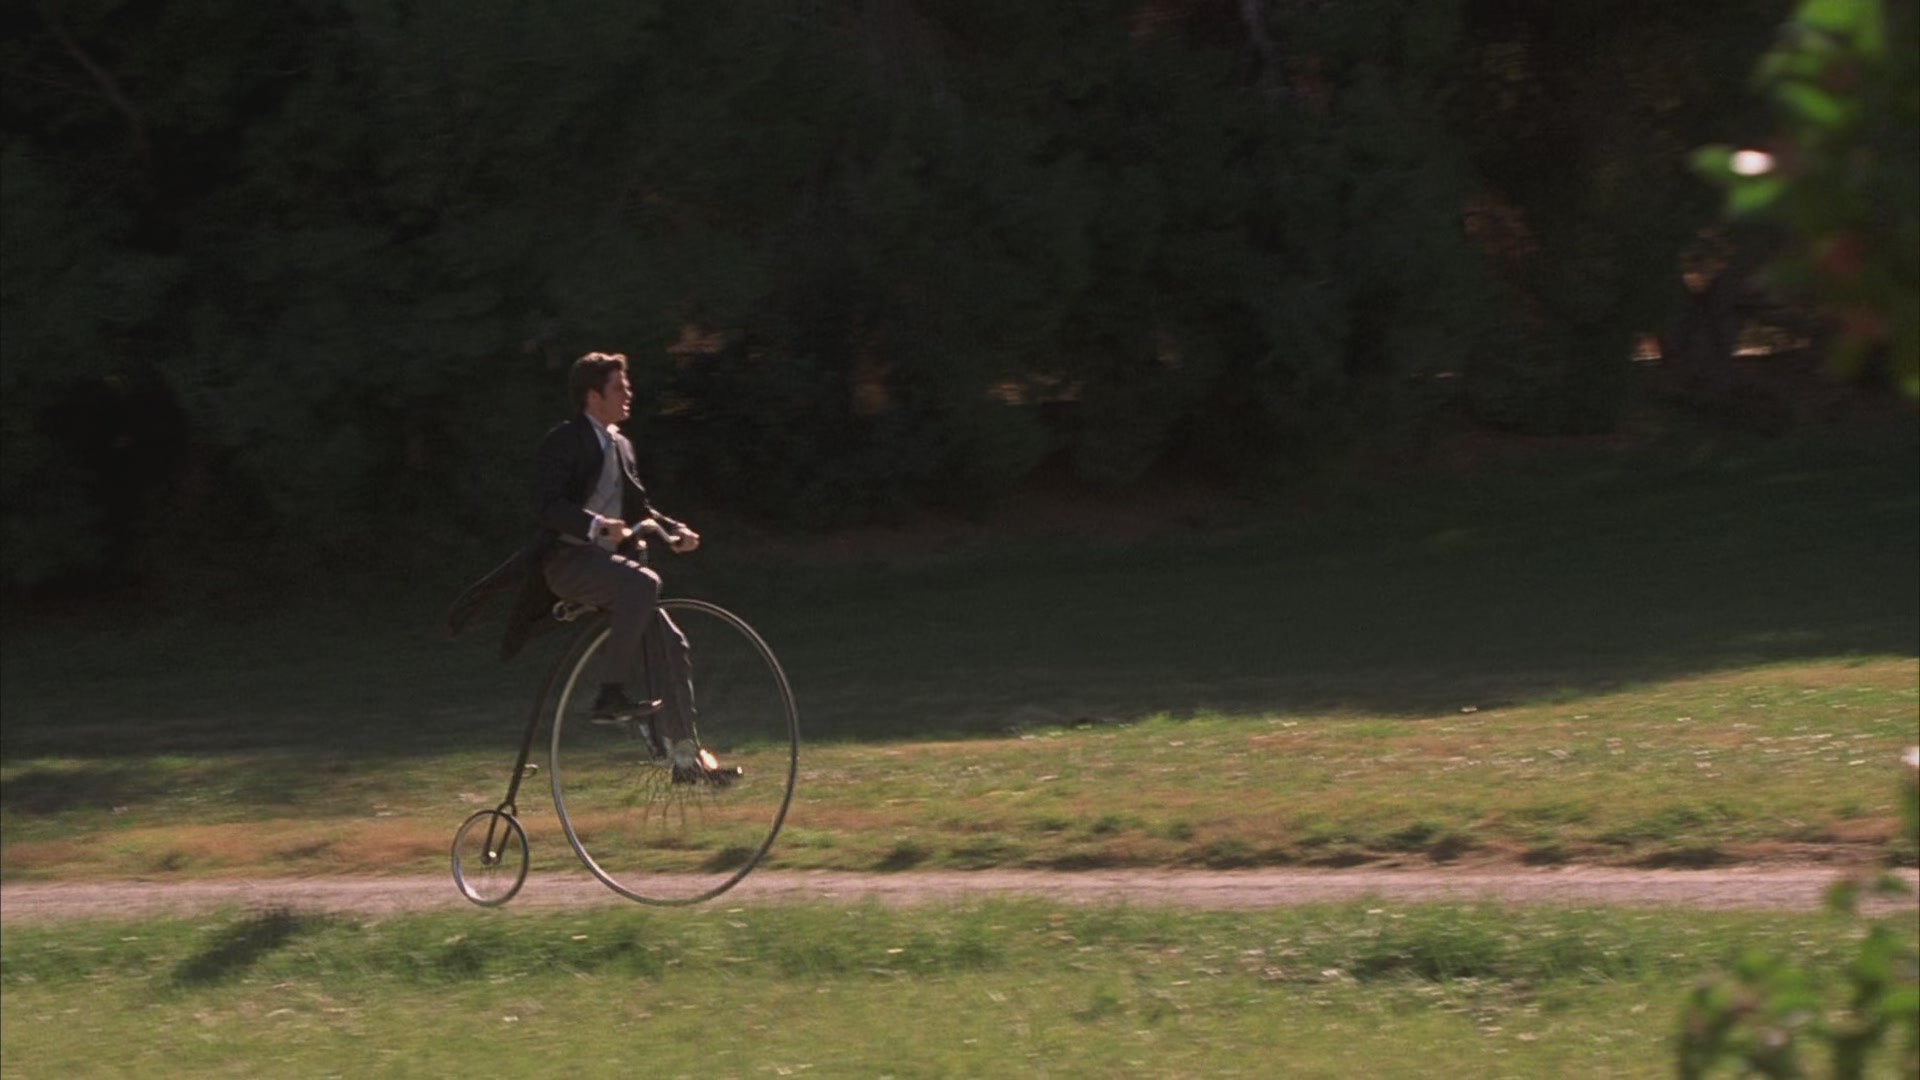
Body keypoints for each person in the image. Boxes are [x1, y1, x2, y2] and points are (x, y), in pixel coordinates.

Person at [446, 351, 736, 784]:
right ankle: (609, 694)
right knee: (644, 583)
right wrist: (597, 525)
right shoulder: (565, 441)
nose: (628, 394)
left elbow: (640, 507)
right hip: (569, 563)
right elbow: (549, 507)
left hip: (611, 569)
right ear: (592, 396)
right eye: (619, 387)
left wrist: (673, 530)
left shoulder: (621, 445)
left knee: (671, 644)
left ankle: (685, 757)